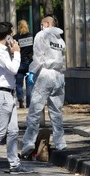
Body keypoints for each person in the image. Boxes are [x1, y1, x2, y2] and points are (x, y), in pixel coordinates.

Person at [0, 22, 33, 174]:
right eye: (12, 34)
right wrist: (16, 52)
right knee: (0, 132)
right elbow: (13, 69)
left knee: (13, 131)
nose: (14, 37)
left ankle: (14, 164)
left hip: (9, 95)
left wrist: (12, 51)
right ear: (8, 35)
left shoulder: (3, 50)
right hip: (2, 95)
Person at [20, 15, 67, 158]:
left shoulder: (41, 35)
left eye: (42, 24)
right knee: (56, 112)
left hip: (45, 75)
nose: (41, 26)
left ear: (47, 24)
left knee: (35, 110)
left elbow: (38, 58)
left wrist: (31, 72)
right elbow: (62, 59)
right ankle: (60, 143)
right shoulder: (60, 39)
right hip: (58, 76)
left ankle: (28, 143)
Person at [13, 20, 33, 108]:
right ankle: (29, 103)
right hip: (29, 63)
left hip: (20, 63)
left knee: (18, 84)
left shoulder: (16, 37)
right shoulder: (31, 36)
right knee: (29, 84)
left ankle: (20, 100)